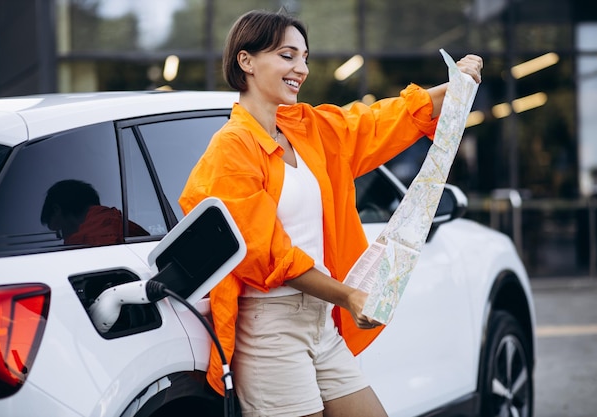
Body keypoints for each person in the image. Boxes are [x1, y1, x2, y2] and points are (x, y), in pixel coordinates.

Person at [179, 9, 482, 417]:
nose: (301, 69)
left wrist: (455, 86)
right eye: (287, 56)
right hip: (271, 330)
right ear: (245, 61)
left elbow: (375, 122)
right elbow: (269, 255)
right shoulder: (230, 150)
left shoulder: (307, 128)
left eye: (304, 57)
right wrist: (350, 296)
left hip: (321, 321)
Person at [41, 179, 149, 245]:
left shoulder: (84, 243)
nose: (64, 239)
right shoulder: (129, 228)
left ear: (57, 210)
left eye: (59, 231)